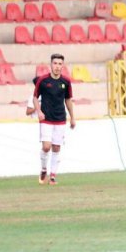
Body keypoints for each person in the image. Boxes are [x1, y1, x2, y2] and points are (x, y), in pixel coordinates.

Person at [33, 54, 76, 185]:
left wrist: (72, 117)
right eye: (55, 63)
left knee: (56, 148)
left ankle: (52, 176)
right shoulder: (43, 80)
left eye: (59, 64)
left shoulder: (66, 82)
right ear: (51, 65)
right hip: (46, 118)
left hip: (60, 119)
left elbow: (68, 99)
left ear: (62, 66)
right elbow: (35, 97)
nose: (57, 66)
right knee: (46, 147)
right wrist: (39, 111)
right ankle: (43, 169)